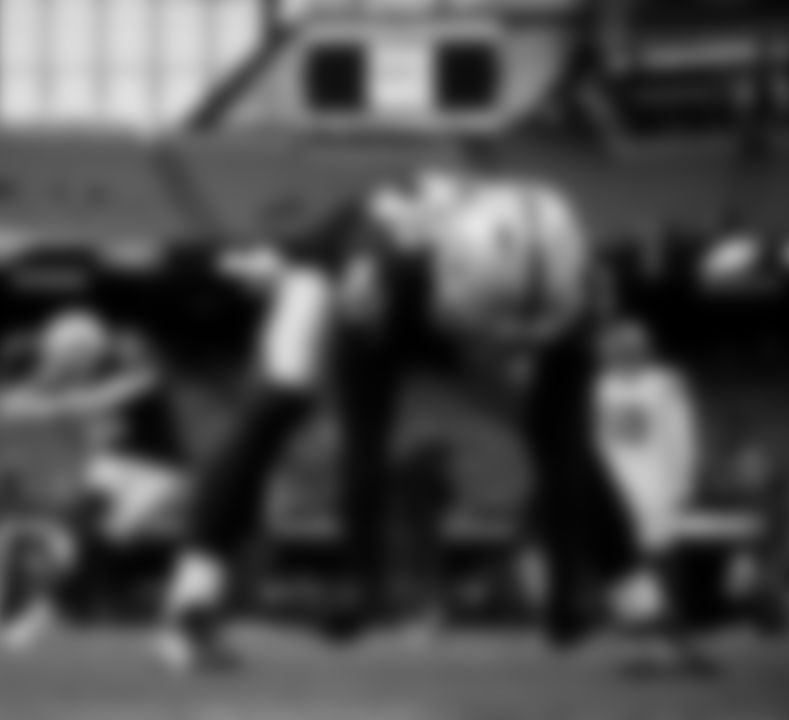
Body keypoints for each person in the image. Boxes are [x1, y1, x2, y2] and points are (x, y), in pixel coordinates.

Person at [157, 170, 616, 672]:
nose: (510, 334)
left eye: (533, 313)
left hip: (438, 293)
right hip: (347, 274)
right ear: (456, 270)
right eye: (499, 311)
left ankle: (634, 595)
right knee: (282, 395)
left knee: (553, 427)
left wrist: (570, 593)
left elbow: (564, 435)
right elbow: (364, 439)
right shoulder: (378, 275)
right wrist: (362, 581)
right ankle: (192, 593)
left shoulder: (575, 281)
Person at [0, 308, 188, 649]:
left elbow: (95, 402)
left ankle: (57, 611)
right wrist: (21, 394)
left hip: (159, 472)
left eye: (70, 355)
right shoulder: (80, 366)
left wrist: (35, 406)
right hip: (116, 462)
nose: (65, 363)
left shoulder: (138, 370)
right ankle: (49, 612)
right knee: (77, 532)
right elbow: (31, 389)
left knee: (103, 543)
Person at [591, 319, 711, 672]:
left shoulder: (664, 384)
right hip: (615, 495)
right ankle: (644, 650)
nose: (615, 353)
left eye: (626, 346)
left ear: (642, 349)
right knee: (628, 578)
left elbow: (683, 433)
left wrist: (683, 483)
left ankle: (678, 645)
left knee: (662, 570)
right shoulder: (600, 387)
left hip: (655, 492)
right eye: (613, 347)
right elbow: (596, 443)